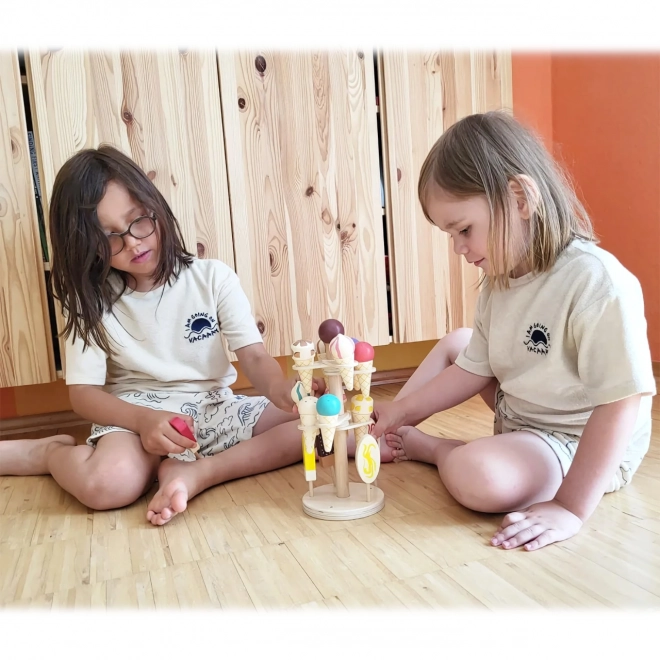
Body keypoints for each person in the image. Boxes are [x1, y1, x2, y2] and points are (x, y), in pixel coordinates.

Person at [372, 111, 656, 552]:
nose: (459, 248)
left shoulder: (596, 282)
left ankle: (434, 449)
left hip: (575, 440)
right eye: (451, 235)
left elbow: (620, 403)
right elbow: (474, 368)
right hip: (522, 414)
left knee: (479, 477)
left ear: (520, 199)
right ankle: (394, 433)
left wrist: (570, 506)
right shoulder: (500, 281)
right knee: (456, 344)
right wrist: (400, 410)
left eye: (464, 230)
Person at [0, 145, 320, 526]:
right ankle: (50, 453)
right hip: (135, 415)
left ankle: (199, 472)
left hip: (212, 408)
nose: (133, 242)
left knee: (316, 426)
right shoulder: (91, 301)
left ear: (155, 207)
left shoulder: (212, 277)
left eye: (138, 221)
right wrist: (143, 421)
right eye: (110, 237)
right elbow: (83, 395)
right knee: (107, 486)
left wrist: (280, 389)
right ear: (87, 246)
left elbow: (253, 356)